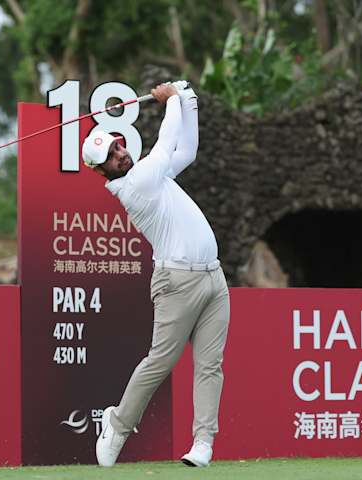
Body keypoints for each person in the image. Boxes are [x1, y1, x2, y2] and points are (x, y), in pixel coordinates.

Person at [81, 82, 230, 468]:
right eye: (111, 155)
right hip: (176, 283)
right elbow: (165, 144)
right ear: (102, 171)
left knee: (209, 364)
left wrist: (190, 103)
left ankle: (203, 443)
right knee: (160, 362)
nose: (120, 152)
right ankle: (116, 424)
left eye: (118, 145)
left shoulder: (154, 175)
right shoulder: (137, 183)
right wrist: (173, 100)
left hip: (213, 279)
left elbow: (187, 151)